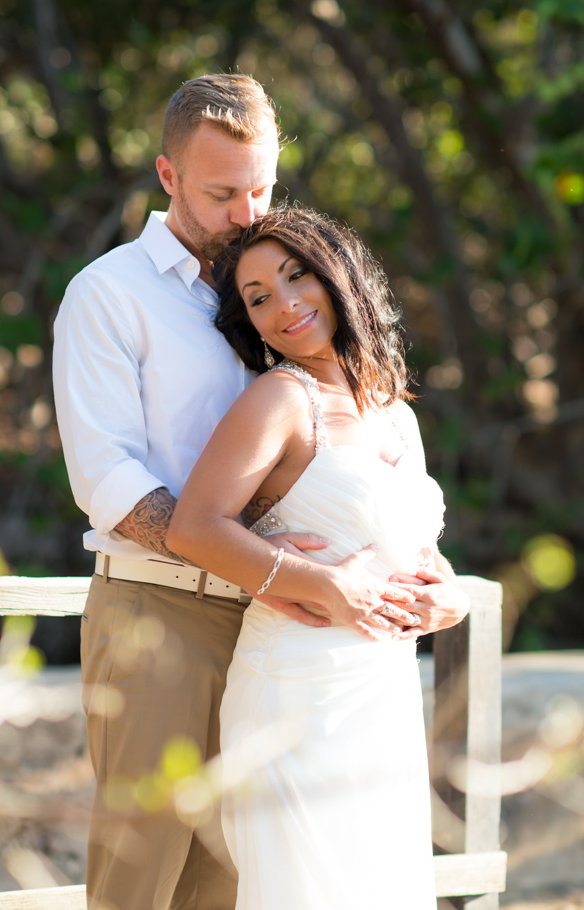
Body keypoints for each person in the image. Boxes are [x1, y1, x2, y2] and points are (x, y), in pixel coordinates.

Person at [53, 76, 431, 910]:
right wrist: (250, 557)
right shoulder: (109, 296)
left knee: (242, 874)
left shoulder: (262, 292)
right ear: (167, 177)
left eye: (261, 187)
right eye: (224, 192)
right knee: (142, 872)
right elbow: (108, 481)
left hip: (279, 636)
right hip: (164, 616)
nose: (247, 210)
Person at [167, 207, 470, 910]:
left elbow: (418, 549)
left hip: (384, 693)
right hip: (295, 694)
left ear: (338, 274)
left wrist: (449, 597)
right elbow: (193, 526)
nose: (286, 305)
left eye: (296, 276)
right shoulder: (279, 400)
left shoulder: (398, 412)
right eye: (259, 298)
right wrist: (315, 582)